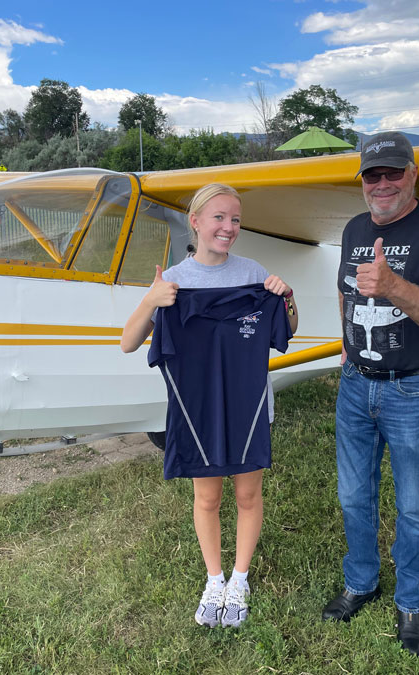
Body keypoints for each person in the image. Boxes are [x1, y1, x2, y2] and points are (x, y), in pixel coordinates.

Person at [321, 132, 419, 656]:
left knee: (412, 506)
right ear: (362, 181)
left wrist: (391, 285)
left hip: (415, 389)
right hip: (355, 386)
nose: (382, 183)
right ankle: (361, 582)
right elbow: (346, 292)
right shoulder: (354, 228)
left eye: (393, 172)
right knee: (352, 495)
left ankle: (411, 601)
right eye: (372, 174)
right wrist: (349, 347)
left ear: (413, 174)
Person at [121, 183, 298, 629]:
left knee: (248, 494)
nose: (228, 227)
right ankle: (214, 580)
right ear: (196, 222)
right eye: (219, 217)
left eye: (235, 219)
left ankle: (240, 580)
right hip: (199, 411)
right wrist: (150, 300)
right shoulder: (173, 282)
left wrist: (286, 297)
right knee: (208, 497)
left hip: (249, 408)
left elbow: (287, 329)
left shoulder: (254, 275)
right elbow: (128, 343)